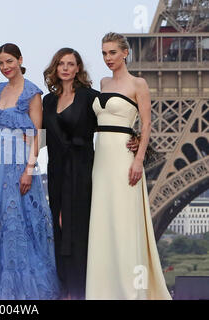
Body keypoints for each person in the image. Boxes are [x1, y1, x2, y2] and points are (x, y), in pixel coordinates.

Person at [0, 43, 61, 300]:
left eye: (9, 61)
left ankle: (23, 294)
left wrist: (29, 170)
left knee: (19, 223)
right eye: (0, 63)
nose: (5, 67)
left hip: (17, 163)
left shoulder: (32, 92)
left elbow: (36, 135)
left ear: (20, 60)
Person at [85, 32, 171, 300]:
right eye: (103, 53)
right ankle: (103, 291)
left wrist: (138, 159)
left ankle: (130, 292)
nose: (107, 58)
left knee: (124, 223)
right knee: (104, 222)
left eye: (112, 52)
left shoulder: (138, 83)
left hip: (124, 159)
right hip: (102, 160)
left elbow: (146, 124)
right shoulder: (103, 82)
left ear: (125, 53)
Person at [42, 48, 98, 300]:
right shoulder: (48, 101)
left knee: (76, 230)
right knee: (59, 228)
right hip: (56, 172)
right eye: (61, 64)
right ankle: (65, 290)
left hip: (81, 170)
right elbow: (36, 134)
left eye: (70, 64)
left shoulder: (89, 97)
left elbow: (116, 117)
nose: (65, 68)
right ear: (55, 68)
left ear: (78, 69)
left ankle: (79, 290)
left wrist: (136, 141)